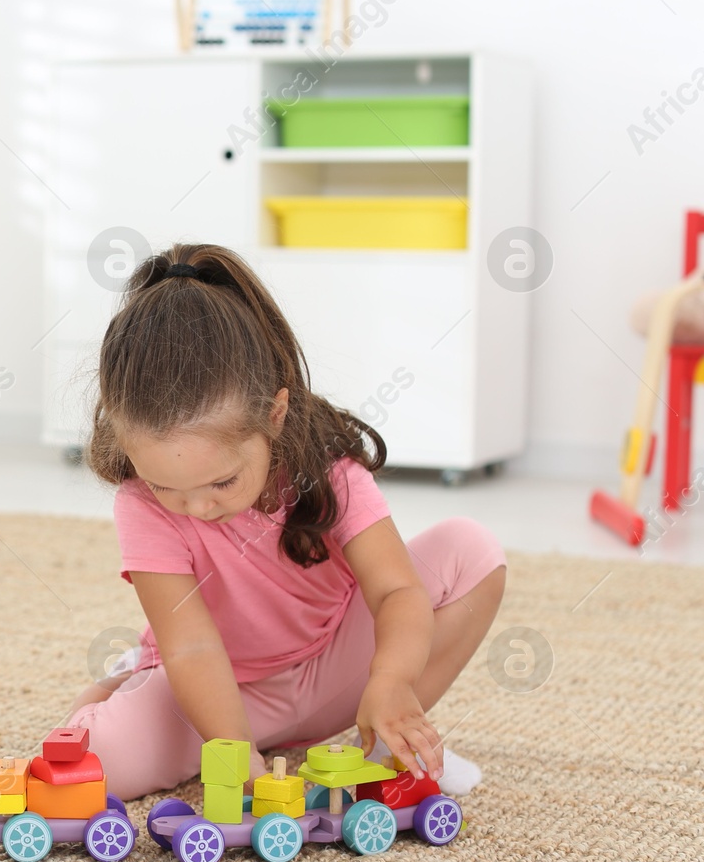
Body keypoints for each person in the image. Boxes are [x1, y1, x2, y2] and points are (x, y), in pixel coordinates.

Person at [67, 243, 504, 800]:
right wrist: (237, 756)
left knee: (473, 551)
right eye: (166, 487)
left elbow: (397, 590)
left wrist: (391, 681)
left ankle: (388, 739)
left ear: (274, 415)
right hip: (222, 688)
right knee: (91, 763)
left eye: (221, 482)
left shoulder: (330, 473)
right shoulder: (139, 503)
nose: (198, 508)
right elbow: (193, 649)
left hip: (333, 671)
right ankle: (125, 680)